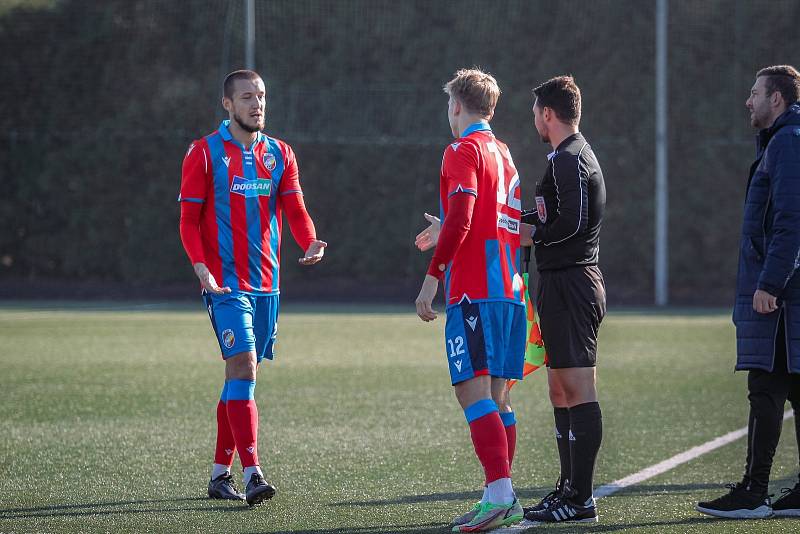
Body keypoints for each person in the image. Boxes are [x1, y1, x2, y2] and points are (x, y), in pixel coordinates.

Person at [178, 69, 327, 506]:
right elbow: (188, 221)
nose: (256, 104)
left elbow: (295, 209)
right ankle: (253, 472)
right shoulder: (204, 153)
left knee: (241, 379)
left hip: (267, 285)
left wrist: (310, 240)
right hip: (224, 285)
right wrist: (201, 267)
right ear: (227, 104)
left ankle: (218, 474)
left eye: (260, 96)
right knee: (242, 367)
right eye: (246, 97)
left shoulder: (279, 153)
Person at [414, 68, 525, 532]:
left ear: (456, 105)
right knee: (496, 398)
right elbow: (497, 220)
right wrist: (448, 227)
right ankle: (498, 496)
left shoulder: (461, 150)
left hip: (475, 289)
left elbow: (461, 216)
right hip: (511, 291)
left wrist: (432, 277)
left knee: (470, 391)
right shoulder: (505, 154)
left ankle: (500, 494)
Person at [696, 65, 800, 519]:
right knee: (787, 383)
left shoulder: (788, 142)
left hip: (782, 297)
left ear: (776, 98)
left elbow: (792, 220)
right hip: (785, 293)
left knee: (766, 385)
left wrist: (770, 284)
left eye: (755, 92)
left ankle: (754, 492)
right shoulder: (782, 141)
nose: (748, 100)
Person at [518, 75, 605, 524]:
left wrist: (532, 233)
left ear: (547, 114)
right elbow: (553, 216)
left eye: (535, 111)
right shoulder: (562, 158)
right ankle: (568, 488)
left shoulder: (571, 158)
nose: (533, 118)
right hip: (558, 284)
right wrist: (512, 218)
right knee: (559, 389)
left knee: (577, 388)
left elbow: (572, 223)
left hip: (572, 284)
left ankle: (581, 498)